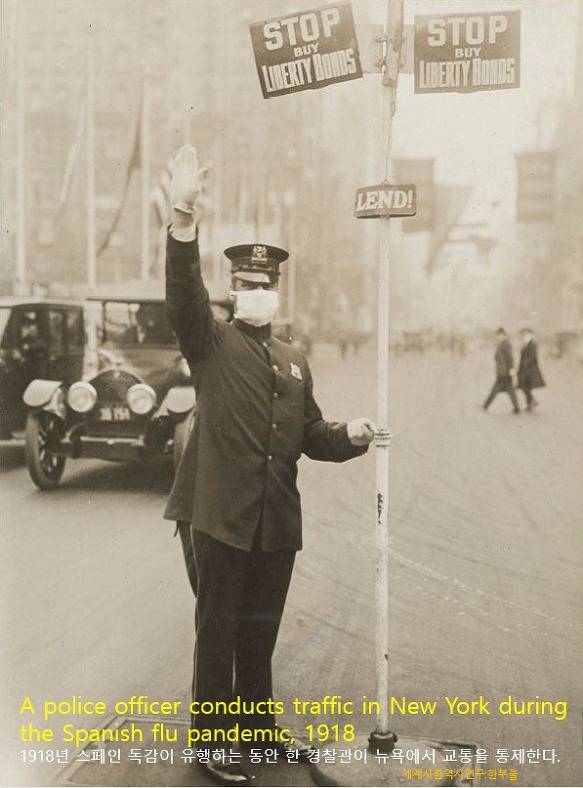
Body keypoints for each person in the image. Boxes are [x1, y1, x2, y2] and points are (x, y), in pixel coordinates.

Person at [164, 145, 376, 786]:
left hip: (274, 521)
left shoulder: (293, 358)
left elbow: (309, 432)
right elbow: (183, 292)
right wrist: (184, 218)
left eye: (266, 286)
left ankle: (257, 731)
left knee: (259, 632)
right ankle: (212, 743)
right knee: (218, 634)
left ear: (277, 292)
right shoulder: (210, 341)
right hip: (220, 516)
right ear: (233, 291)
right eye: (247, 285)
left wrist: (351, 435)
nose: (257, 293)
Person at [483, 327, 520, 414]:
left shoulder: (506, 344)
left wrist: (511, 369)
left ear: (503, 335)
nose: (498, 337)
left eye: (499, 335)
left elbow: (509, 358)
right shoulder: (502, 344)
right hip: (503, 371)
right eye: (497, 336)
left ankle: (485, 406)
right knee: (510, 390)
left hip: (504, 372)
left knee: (495, 390)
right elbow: (499, 357)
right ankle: (517, 408)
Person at [517, 328, 545, 411]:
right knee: (524, 386)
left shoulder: (533, 345)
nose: (525, 336)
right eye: (524, 334)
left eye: (527, 334)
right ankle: (531, 403)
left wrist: (525, 366)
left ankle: (531, 403)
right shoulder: (525, 344)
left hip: (530, 370)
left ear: (530, 335)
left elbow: (532, 357)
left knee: (525, 386)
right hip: (524, 369)